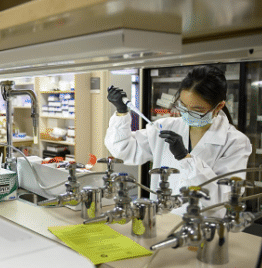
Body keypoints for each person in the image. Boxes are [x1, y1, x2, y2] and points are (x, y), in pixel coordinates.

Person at [104, 66, 252, 215]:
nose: (186, 113)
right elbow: (123, 149)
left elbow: (223, 198)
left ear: (218, 106)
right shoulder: (167, 126)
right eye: (183, 105)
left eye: (196, 109)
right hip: (162, 223)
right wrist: (121, 112)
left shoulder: (236, 143)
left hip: (203, 229)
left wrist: (186, 158)